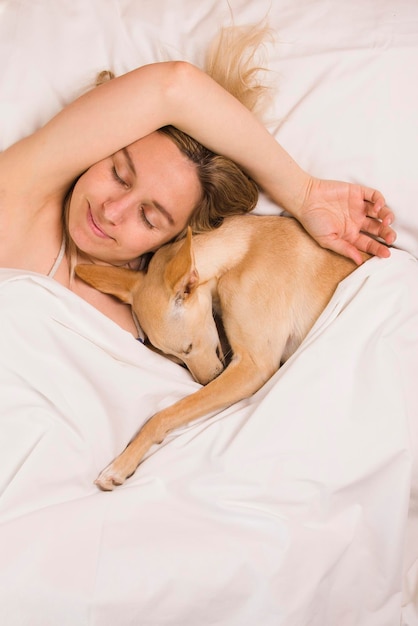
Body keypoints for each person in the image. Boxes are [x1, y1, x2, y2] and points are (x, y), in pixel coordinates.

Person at [0, 26, 395, 340]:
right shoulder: (21, 193)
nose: (111, 210)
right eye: (118, 174)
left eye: (149, 218)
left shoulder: (161, 326)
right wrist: (304, 192)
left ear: (170, 240)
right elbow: (175, 87)